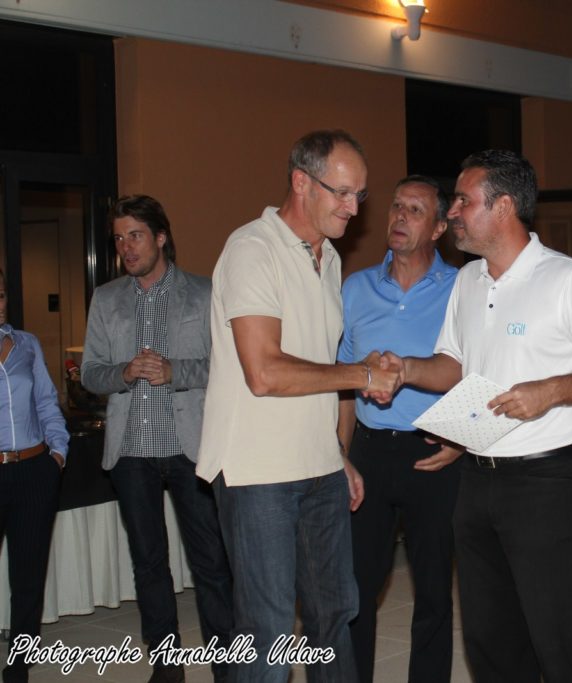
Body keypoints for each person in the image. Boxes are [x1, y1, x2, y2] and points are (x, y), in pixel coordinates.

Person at [379, 150, 572, 683]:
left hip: (543, 480)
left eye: (463, 201)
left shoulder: (569, 279)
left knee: (554, 637)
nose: (452, 212)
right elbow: (454, 364)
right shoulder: (467, 282)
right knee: (488, 638)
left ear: (502, 207)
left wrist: (552, 391)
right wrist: (406, 369)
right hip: (474, 479)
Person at [196, 129, 400, 683]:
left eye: (360, 194)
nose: (354, 207)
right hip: (258, 472)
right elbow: (264, 372)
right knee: (267, 633)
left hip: (319, 466)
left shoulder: (328, 258)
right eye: (342, 192)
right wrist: (362, 374)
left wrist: (338, 454)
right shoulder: (252, 249)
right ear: (301, 182)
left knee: (335, 614)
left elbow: (315, 368)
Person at [81, 195, 233, 683]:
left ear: (161, 237)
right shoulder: (106, 299)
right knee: (148, 565)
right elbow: (90, 373)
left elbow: (228, 365)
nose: (126, 246)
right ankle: (167, 668)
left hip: (191, 448)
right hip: (130, 452)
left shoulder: (204, 292)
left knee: (211, 563)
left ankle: (228, 666)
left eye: (136, 235)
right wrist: (123, 373)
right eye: (119, 238)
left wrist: (175, 371)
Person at [337, 175, 460, 683]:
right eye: (395, 207)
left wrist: (461, 438)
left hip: (435, 453)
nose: (399, 217)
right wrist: (339, 456)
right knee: (356, 589)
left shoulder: (462, 289)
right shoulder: (355, 287)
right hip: (368, 452)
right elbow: (344, 383)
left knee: (433, 591)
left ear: (438, 228)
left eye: (415, 210)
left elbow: (480, 371)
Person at [0, 269, 68, 683]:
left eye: (0, 294)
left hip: (33, 470)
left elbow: (46, 402)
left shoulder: (27, 344)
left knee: (28, 578)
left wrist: (57, 454)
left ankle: (19, 666)